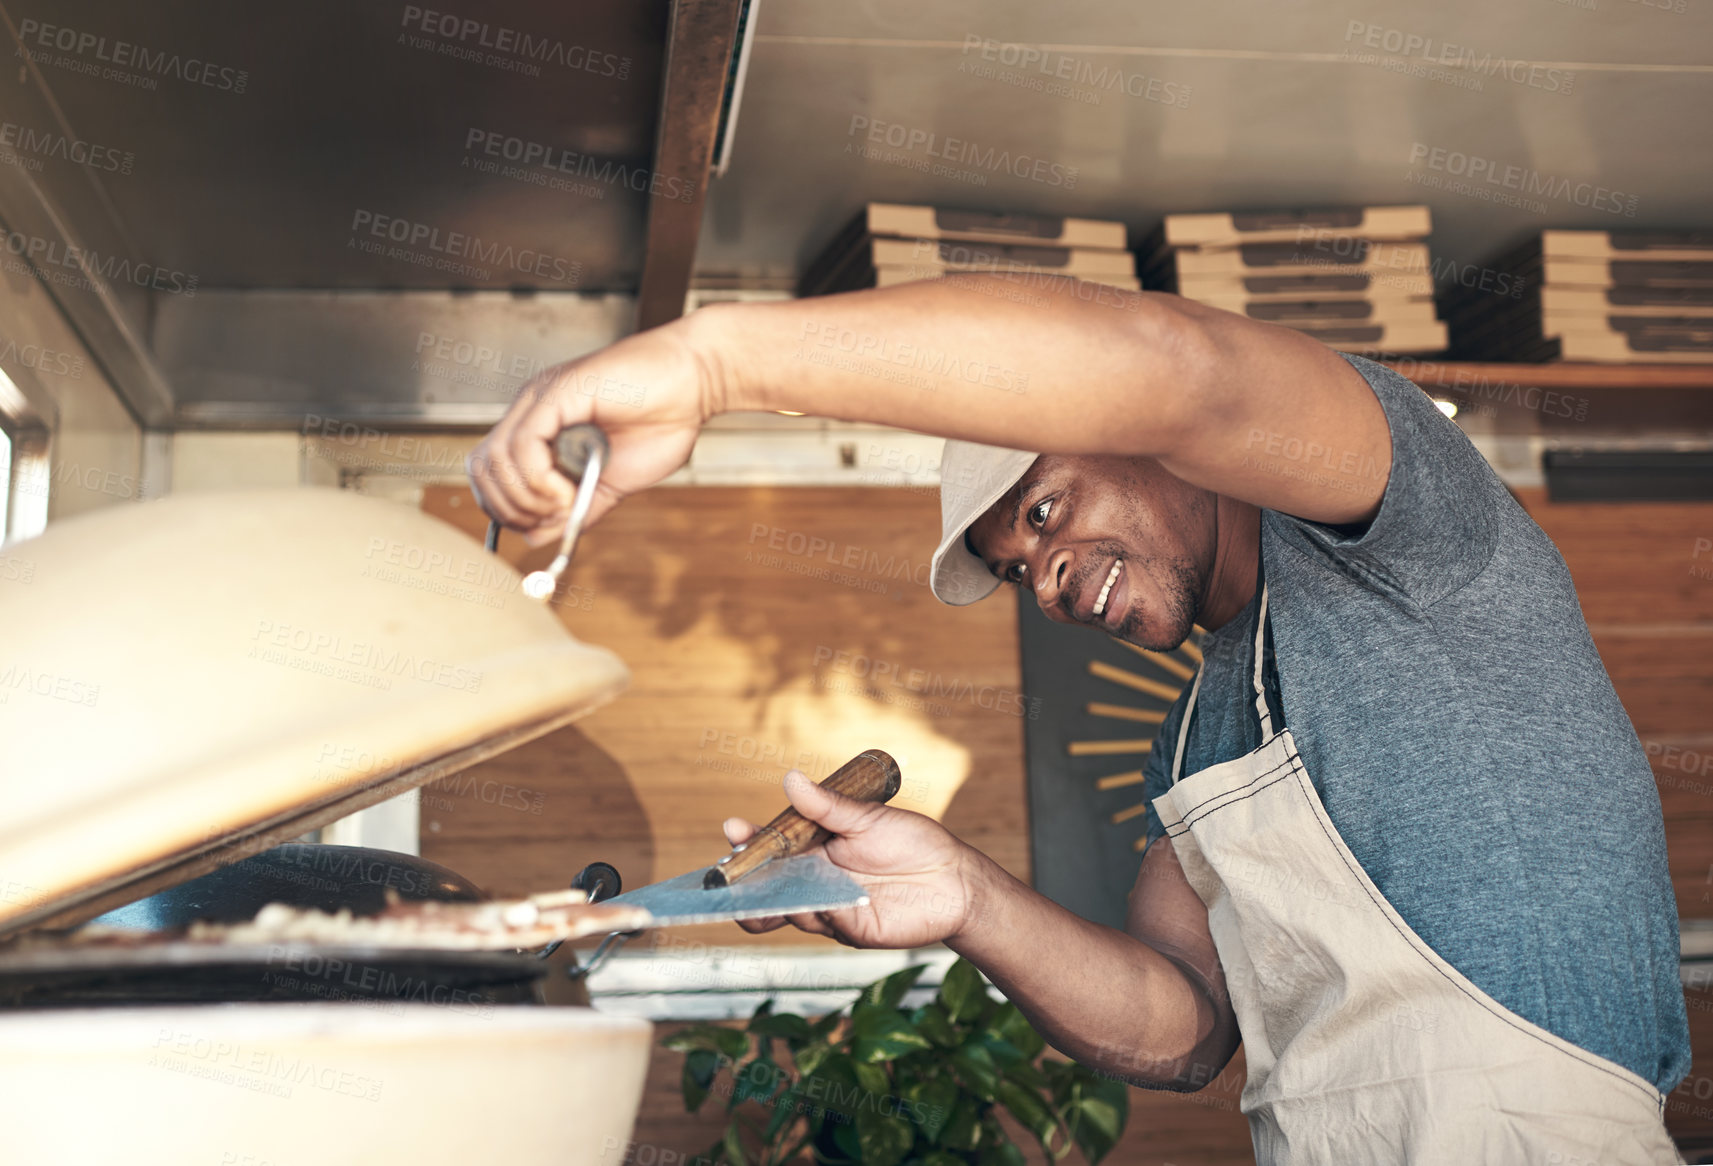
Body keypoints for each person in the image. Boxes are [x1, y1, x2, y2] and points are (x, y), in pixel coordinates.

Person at [469, 275, 1688, 1165]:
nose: (1046, 579)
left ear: (1147, 442)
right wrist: (966, 897)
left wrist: (713, 364)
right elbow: (1186, 1024)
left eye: (1046, 509)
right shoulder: (1199, 731)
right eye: (1019, 566)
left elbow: (1183, 368)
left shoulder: (1409, 531)